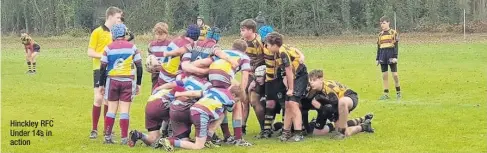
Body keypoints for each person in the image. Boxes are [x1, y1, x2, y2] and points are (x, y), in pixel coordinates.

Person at [156, 86, 240, 151]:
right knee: (198, 146)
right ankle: (170, 141)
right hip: (202, 114)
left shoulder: (214, 90)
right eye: (237, 99)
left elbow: (194, 93)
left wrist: (180, 94)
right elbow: (230, 109)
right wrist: (236, 102)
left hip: (194, 109)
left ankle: (207, 139)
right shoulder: (230, 99)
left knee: (221, 115)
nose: (236, 101)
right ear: (234, 95)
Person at [99, 23, 143, 144]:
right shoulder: (132, 47)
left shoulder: (108, 48)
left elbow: (102, 67)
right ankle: (124, 138)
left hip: (112, 81)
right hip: (128, 81)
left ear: (113, 34)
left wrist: (101, 85)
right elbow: (139, 66)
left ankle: (107, 137)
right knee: (125, 110)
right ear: (124, 33)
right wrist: (138, 83)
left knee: (111, 109)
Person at [265, 32, 309, 142]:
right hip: (293, 77)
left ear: (275, 44)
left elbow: (289, 70)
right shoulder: (281, 48)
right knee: (287, 103)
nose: (267, 47)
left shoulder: (282, 53)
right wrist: (301, 54)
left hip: (300, 76)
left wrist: (291, 88)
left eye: (268, 45)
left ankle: (299, 134)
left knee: (293, 103)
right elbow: (294, 49)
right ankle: (286, 132)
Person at [87, 6, 123, 139]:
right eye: (118, 17)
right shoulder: (97, 32)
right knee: (98, 98)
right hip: (99, 69)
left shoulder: (117, 34)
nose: (120, 20)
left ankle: (107, 129)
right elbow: (89, 52)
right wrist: (104, 56)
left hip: (113, 71)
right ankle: (94, 129)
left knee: (109, 100)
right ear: (110, 16)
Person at [307, 69, 374, 138]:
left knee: (343, 131)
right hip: (335, 105)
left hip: (348, 97)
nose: (311, 83)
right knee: (317, 133)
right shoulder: (312, 89)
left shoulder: (329, 89)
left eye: (314, 80)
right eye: (310, 80)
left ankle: (362, 127)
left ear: (321, 79)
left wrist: (337, 119)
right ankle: (362, 120)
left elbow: (337, 106)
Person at [239, 19, 266, 135]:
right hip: (246, 75)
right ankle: (242, 127)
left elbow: (264, 61)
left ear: (251, 30)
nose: (241, 32)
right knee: (243, 101)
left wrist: (256, 79)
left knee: (254, 101)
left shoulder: (259, 43)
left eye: (243, 30)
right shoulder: (241, 41)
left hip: (258, 76)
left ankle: (264, 129)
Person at [376, 16, 401, 100]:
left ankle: (398, 92)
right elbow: (379, 47)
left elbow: (396, 46)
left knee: (395, 75)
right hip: (383, 56)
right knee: (384, 76)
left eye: (384, 23)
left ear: (388, 23)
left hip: (391, 55)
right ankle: (386, 94)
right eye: (381, 23)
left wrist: (395, 57)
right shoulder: (380, 34)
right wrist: (377, 58)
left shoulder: (393, 33)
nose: (382, 25)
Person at [147, 22, 171, 89]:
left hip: (166, 74)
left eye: (161, 34)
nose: (158, 36)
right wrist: (149, 66)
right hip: (155, 73)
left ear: (166, 34)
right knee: (155, 90)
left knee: (165, 91)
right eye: (157, 34)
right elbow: (149, 58)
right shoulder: (151, 45)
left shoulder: (170, 45)